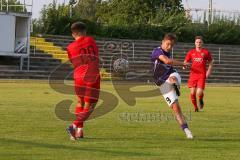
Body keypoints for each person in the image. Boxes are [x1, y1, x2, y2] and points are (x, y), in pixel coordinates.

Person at [151, 33, 193, 139]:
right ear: (163, 41)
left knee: (173, 78)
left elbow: (169, 63)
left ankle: (174, 85)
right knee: (176, 108)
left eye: (172, 46)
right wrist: (183, 64)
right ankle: (187, 130)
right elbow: (167, 61)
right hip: (161, 83)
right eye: (168, 44)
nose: (170, 47)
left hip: (172, 75)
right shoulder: (157, 51)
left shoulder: (167, 52)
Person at [66, 22, 100, 140]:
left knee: (80, 102)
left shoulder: (69, 48)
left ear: (73, 34)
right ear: (84, 31)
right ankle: (74, 126)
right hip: (92, 75)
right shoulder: (91, 40)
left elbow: (73, 61)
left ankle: (79, 131)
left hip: (78, 77)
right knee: (90, 106)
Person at [184, 36, 213, 112]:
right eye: (197, 42)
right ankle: (195, 108)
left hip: (202, 74)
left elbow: (211, 62)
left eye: (200, 42)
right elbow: (186, 62)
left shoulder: (206, 52)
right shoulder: (191, 52)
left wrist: (209, 70)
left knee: (199, 92)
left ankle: (200, 99)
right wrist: (184, 66)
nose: (198, 43)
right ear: (195, 43)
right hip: (193, 74)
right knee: (192, 92)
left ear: (202, 43)